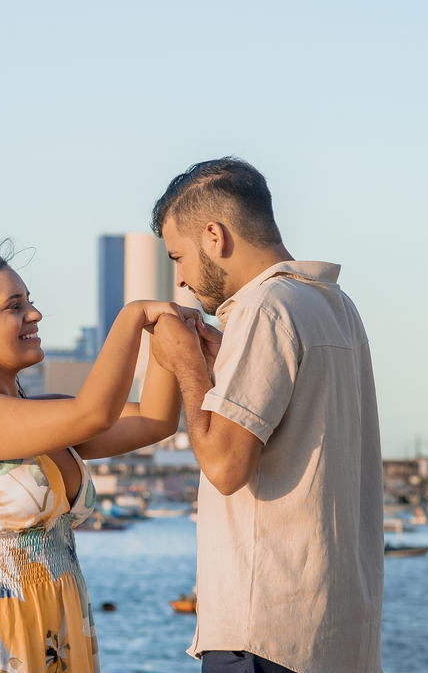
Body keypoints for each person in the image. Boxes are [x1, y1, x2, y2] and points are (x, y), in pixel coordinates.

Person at [0, 251, 200, 673]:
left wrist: (165, 333)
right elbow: (94, 413)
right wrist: (134, 316)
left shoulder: (43, 418)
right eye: (15, 306)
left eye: (29, 300)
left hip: (62, 624)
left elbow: (156, 421)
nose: (35, 313)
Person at [149, 158, 384, 673]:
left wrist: (187, 364)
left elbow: (226, 466)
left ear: (214, 235)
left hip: (265, 632)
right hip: (338, 634)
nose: (183, 282)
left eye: (178, 256)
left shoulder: (265, 307)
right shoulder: (337, 306)